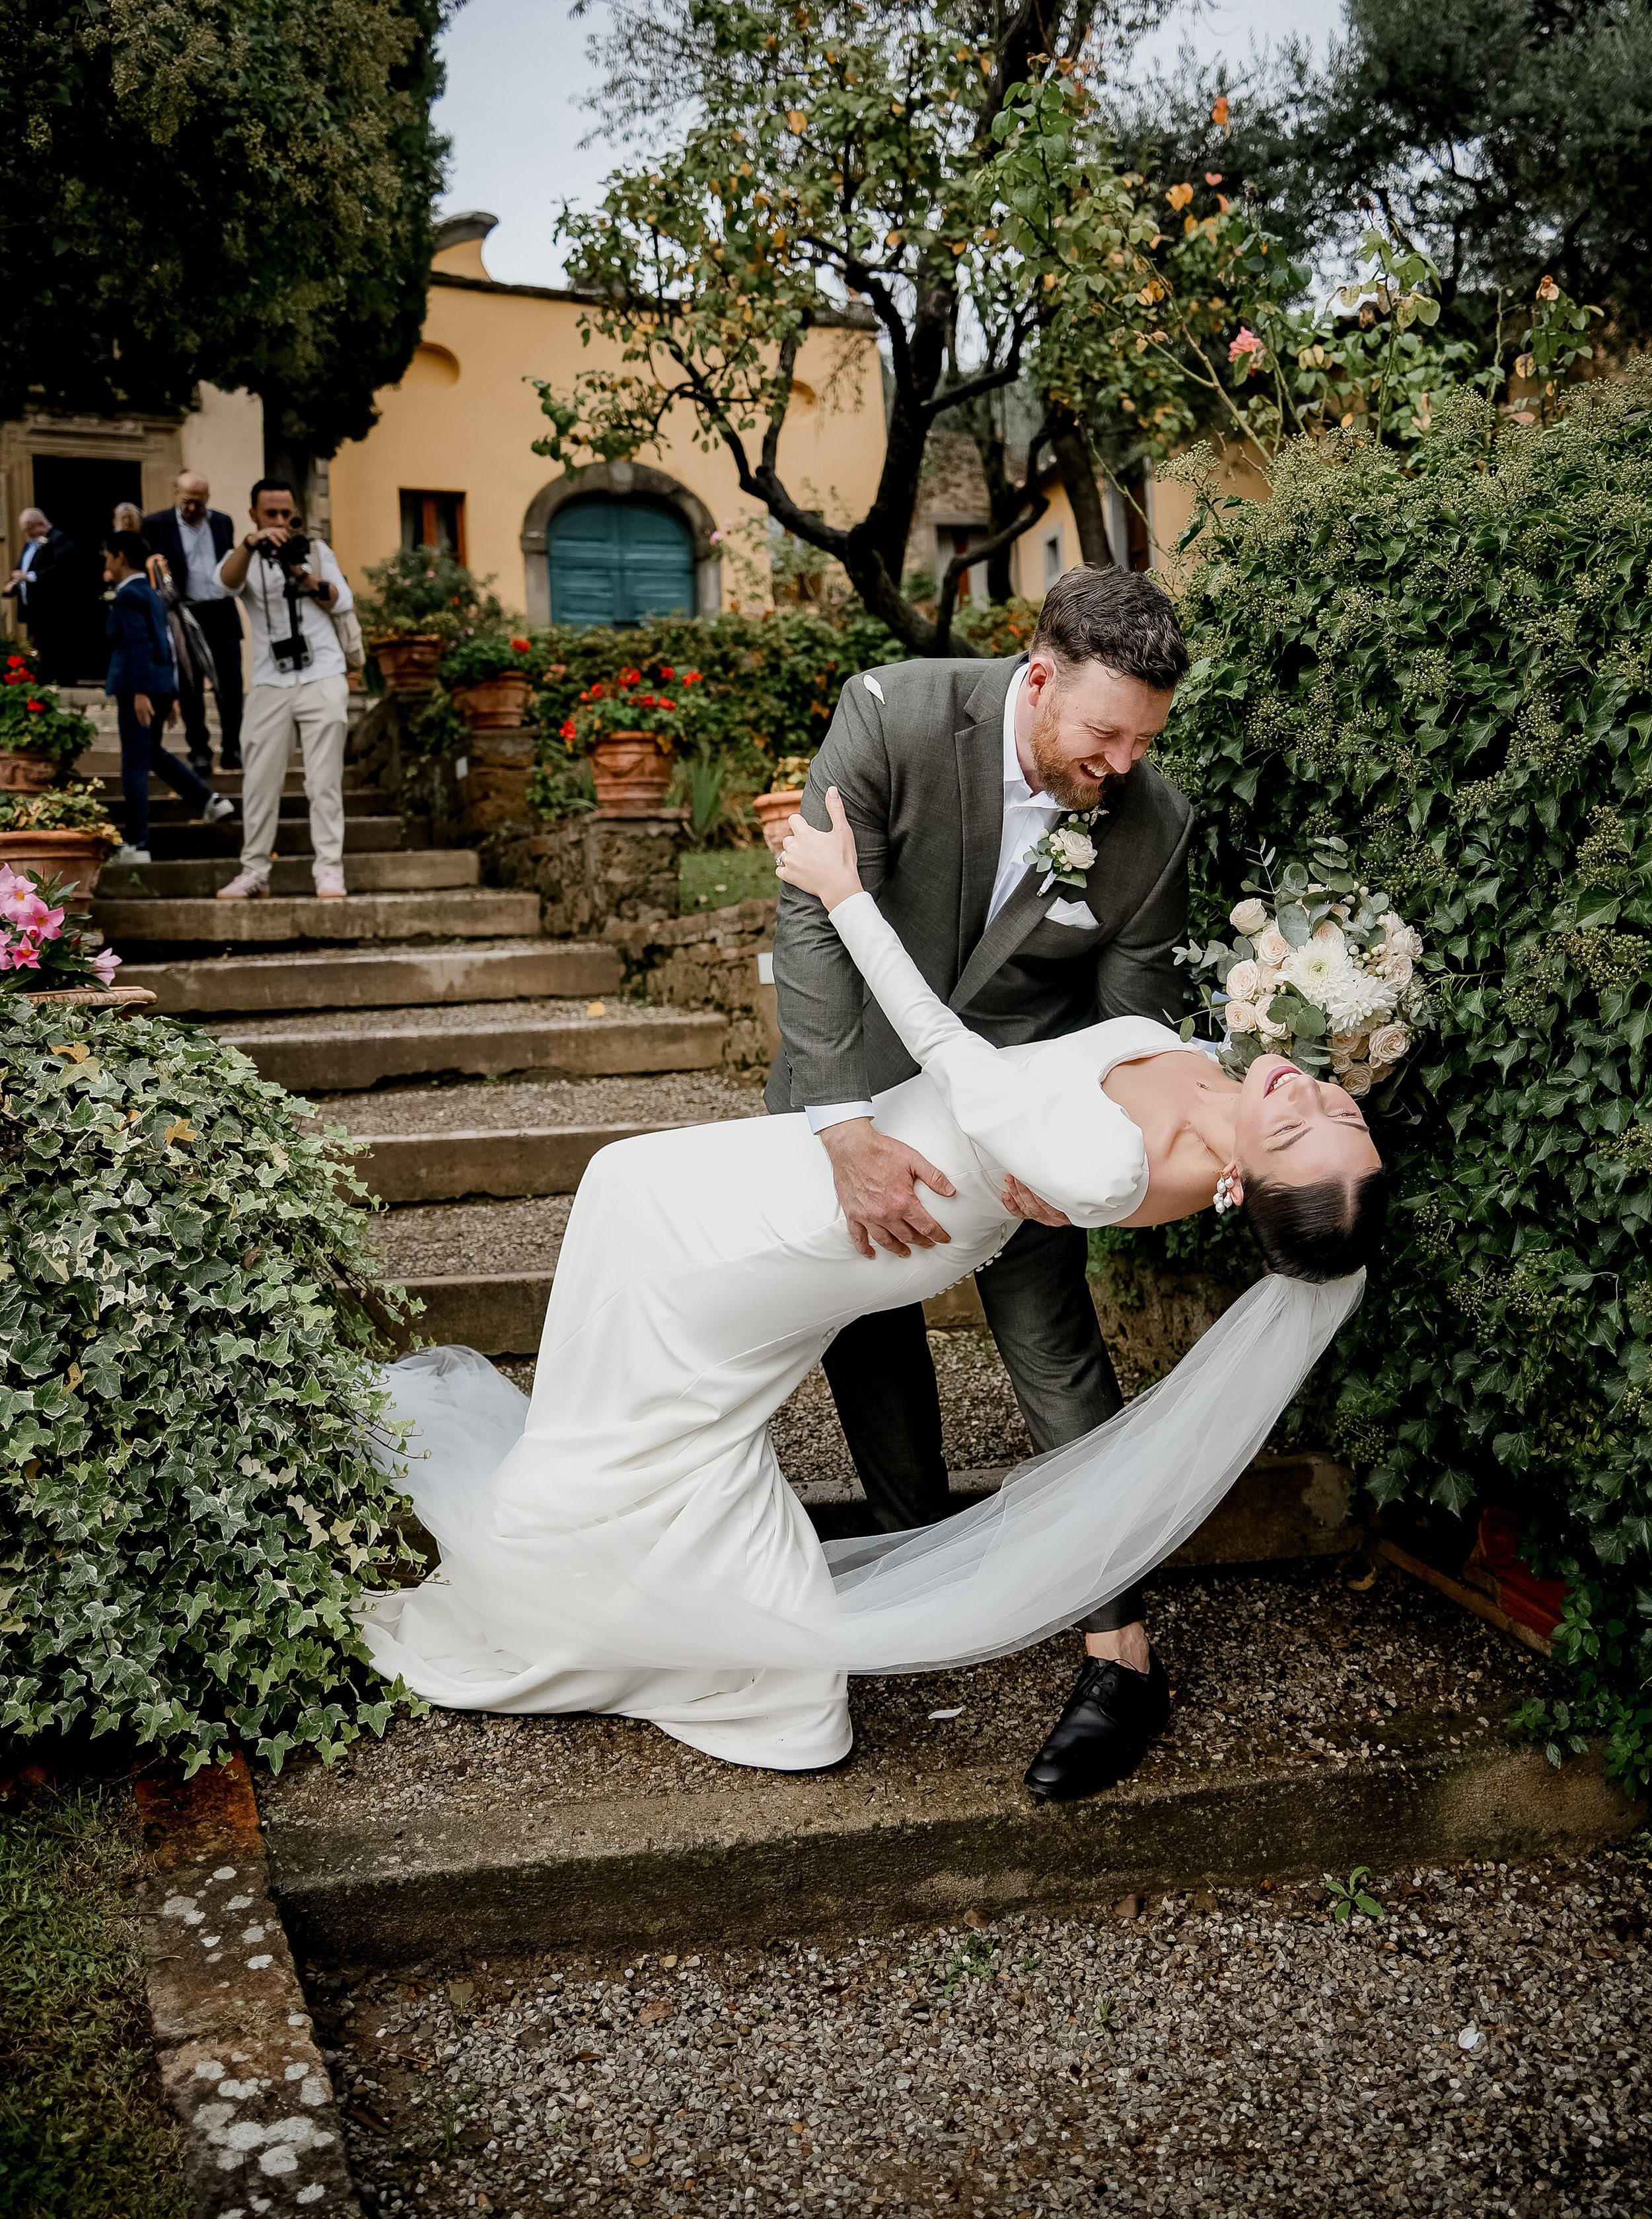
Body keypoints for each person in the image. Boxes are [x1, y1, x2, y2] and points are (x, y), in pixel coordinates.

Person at [358, 788, 1383, 1782]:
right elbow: (1219, 1070)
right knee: (630, 1220)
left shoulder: (1112, 1172)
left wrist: (844, 892)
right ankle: (607, 1567)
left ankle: (667, 1625)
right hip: (827, 1167)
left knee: (655, 1310)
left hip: (864, 1213)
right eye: (1339, 1109)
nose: (1309, 1093)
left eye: (1297, 1130)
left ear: (1242, 1186)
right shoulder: (1228, 1070)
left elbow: (952, 1055)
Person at [767, 566, 1197, 1801]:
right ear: (1040, 673)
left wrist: (1078, 1154)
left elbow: (1128, 1026)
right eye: (1103, 732)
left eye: (1144, 739)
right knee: (864, 1320)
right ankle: (919, 1556)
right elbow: (812, 914)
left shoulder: (1152, 823)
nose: (1119, 762)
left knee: (1058, 1357)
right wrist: (842, 1124)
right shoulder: (896, 715)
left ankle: (1122, 1652)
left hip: (1018, 1122)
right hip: (853, 1078)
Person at [215, 479, 355, 902]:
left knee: (324, 779)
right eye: (270, 514)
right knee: (258, 780)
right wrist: (251, 544)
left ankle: (329, 870)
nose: (280, 522)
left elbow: (342, 601)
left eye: (286, 514)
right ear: (254, 514)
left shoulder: (313, 551)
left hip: (324, 675)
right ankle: (254, 871)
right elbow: (225, 583)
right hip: (269, 680)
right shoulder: (244, 556)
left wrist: (302, 574)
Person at [101, 527, 235, 865]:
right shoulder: (152, 593)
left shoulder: (130, 594)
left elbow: (139, 644)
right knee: (153, 755)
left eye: (107, 556)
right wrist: (171, 693)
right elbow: (168, 645)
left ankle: (136, 844)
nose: (106, 562)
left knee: (134, 763)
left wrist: (142, 691)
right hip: (159, 685)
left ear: (121, 557)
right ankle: (209, 801)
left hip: (139, 687)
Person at [142, 470, 244, 774]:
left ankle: (232, 748)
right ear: (176, 493)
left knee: (231, 683)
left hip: (222, 610)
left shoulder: (223, 522)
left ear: (208, 499)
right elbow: (150, 571)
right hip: (185, 611)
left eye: (199, 503)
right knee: (190, 685)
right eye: (187, 502)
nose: (192, 509)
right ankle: (199, 750)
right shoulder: (156, 524)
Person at [5, 506, 81, 680]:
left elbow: (61, 569)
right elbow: (22, 568)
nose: (28, 535)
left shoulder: (59, 540)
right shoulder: (29, 545)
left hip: (53, 608)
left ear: (40, 524)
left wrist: (30, 576)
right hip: (34, 609)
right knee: (39, 648)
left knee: (57, 647)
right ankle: (42, 680)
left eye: (30, 530)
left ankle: (63, 681)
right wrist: (14, 582)